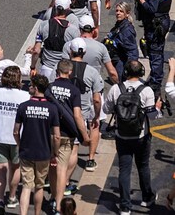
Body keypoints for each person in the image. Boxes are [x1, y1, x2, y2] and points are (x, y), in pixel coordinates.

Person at [102, 61, 160, 215]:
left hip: (122, 135)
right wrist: (158, 108)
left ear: (126, 72)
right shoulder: (146, 90)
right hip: (141, 136)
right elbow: (152, 116)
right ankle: (147, 197)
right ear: (141, 72)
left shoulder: (116, 88)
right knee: (143, 166)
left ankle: (125, 206)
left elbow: (106, 108)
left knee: (124, 170)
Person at [45, 59, 89, 213]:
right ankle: (58, 204)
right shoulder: (74, 90)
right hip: (66, 134)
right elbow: (77, 116)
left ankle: (51, 197)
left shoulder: (49, 88)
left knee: (52, 166)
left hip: (50, 133)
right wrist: (84, 135)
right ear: (70, 72)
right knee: (62, 169)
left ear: (57, 71)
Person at [0, 66, 30, 213]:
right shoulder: (25, 96)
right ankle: (11, 196)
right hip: (18, 137)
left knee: (0, 167)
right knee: (15, 167)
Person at [13, 75, 60, 215]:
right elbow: (56, 136)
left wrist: (20, 145)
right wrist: (54, 153)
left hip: (26, 152)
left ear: (36, 88)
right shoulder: (52, 109)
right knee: (39, 187)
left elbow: (15, 131)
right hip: (44, 153)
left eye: (31, 85)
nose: (29, 87)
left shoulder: (23, 106)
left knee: (27, 186)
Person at [137, 0, 173, 95]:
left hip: (155, 24)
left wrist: (142, 0)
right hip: (164, 20)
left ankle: (155, 83)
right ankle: (155, 77)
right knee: (159, 49)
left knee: (155, 53)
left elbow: (152, 9)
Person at [67, 39, 103, 173]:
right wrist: (97, 115)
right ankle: (91, 159)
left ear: (70, 51)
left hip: (64, 110)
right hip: (84, 112)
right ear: (85, 52)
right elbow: (97, 99)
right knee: (94, 126)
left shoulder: (61, 68)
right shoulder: (92, 72)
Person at [30, 0, 80, 82]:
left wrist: (33, 67)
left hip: (46, 68)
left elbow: (36, 50)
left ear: (55, 8)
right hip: (64, 70)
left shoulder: (44, 25)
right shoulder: (73, 30)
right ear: (68, 9)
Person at [105, 2, 138, 80]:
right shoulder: (120, 25)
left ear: (127, 14)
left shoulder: (126, 31)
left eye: (121, 11)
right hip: (116, 59)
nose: (118, 13)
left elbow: (133, 52)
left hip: (122, 62)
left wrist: (130, 70)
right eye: (117, 11)